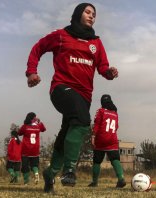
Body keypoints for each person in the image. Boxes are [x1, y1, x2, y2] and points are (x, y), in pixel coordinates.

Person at [25, 3, 118, 193]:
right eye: (87, 12)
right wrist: (31, 72)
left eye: (94, 14)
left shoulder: (96, 43)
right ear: (78, 14)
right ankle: (69, 170)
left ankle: (50, 174)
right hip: (61, 88)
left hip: (85, 95)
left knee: (66, 132)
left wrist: (109, 72)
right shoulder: (61, 35)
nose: (92, 16)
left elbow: (102, 67)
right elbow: (38, 48)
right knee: (83, 121)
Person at [88, 94, 126, 188]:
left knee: (97, 161)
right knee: (115, 159)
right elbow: (116, 127)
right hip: (112, 139)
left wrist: (93, 137)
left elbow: (96, 125)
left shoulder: (100, 111)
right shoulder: (115, 113)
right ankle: (121, 179)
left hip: (101, 139)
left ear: (102, 102)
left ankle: (95, 182)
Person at [18, 112, 46, 185]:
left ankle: (26, 182)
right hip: (35, 149)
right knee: (34, 165)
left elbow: (19, 133)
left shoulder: (25, 126)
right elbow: (43, 129)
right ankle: (36, 173)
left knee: (25, 166)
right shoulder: (38, 126)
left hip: (26, 149)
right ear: (34, 118)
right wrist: (39, 122)